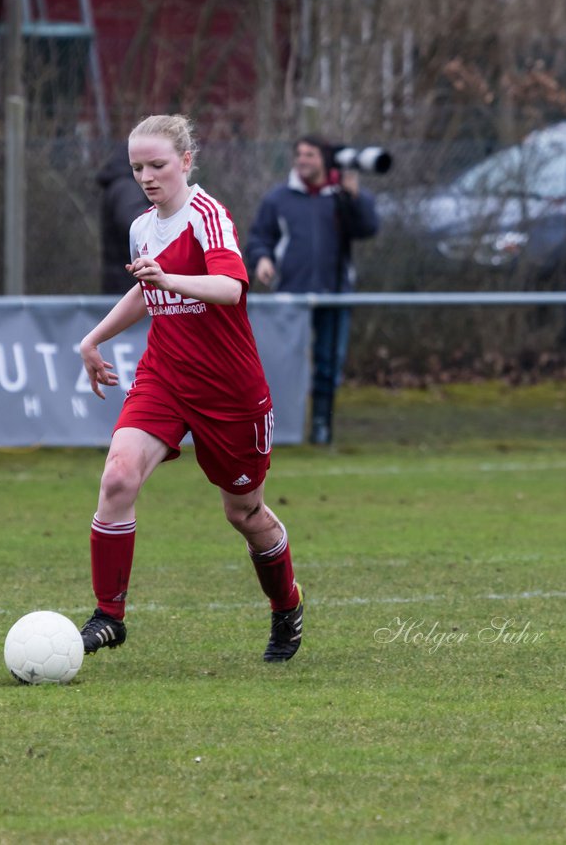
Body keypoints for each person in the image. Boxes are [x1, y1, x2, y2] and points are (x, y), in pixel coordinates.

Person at [77, 114, 304, 663]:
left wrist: (168, 279)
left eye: (157, 165)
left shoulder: (208, 216)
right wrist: (93, 339)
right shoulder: (142, 226)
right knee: (118, 476)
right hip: (165, 375)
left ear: (186, 161)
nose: (147, 177)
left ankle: (286, 604)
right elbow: (145, 292)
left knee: (244, 513)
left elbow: (230, 287)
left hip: (228, 389)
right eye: (137, 168)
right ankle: (109, 615)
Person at [245, 134, 379, 445]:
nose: (303, 160)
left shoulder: (341, 195)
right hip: (291, 295)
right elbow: (259, 237)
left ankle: (321, 425)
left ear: (325, 159)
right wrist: (262, 259)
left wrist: (355, 197)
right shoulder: (279, 198)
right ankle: (276, 426)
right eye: (300, 154)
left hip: (334, 293)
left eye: (311, 155)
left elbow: (368, 228)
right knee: (284, 362)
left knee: (329, 362)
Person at [96, 143, 154, 294]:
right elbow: (137, 223)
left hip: (125, 282)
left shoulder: (122, 185)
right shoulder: (126, 188)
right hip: (129, 284)